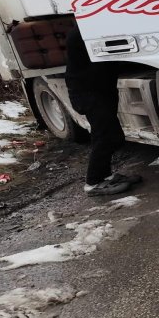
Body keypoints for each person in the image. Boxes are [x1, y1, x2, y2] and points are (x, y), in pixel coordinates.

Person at [64, 28, 142, 196]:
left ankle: (105, 175)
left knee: (110, 136)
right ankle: (93, 183)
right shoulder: (80, 33)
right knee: (106, 137)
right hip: (88, 93)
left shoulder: (86, 29)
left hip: (99, 90)